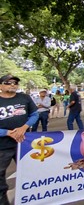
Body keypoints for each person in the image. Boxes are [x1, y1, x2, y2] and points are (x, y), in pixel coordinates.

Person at [0, 74, 39, 205]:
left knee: (31, 173)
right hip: (3, 147)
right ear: (0, 85)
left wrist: (24, 127)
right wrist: (7, 132)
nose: (12, 85)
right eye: (8, 82)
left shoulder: (25, 98)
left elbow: (34, 114)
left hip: (24, 144)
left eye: (15, 83)